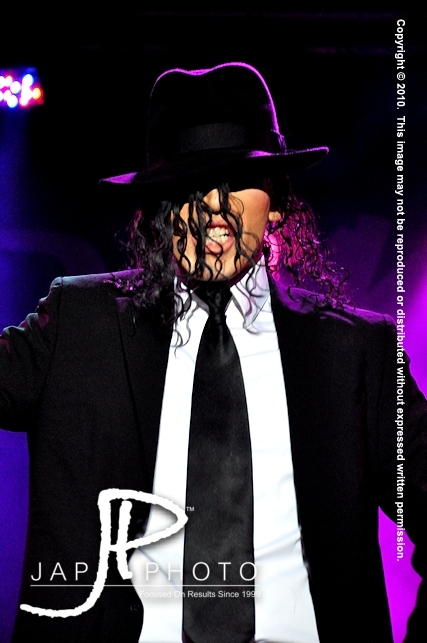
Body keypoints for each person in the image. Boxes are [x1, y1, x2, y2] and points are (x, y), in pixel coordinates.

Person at [1, 62, 426, 642]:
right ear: (156, 210)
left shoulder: (357, 353)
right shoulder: (78, 324)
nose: (214, 207)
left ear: (277, 201)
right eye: (189, 184)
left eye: (237, 179)